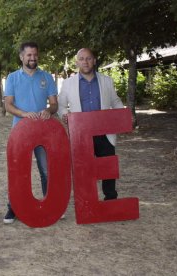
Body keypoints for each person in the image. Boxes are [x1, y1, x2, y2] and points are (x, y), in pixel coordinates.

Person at [58, 48, 124, 201]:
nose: (85, 62)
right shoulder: (68, 84)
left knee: (107, 167)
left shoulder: (107, 81)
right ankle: (86, 200)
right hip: (81, 135)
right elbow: (61, 106)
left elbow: (115, 101)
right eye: (81, 59)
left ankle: (110, 199)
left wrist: (124, 116)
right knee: (83, 169)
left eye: (88, 58)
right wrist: (64, 115)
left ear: (94, 60)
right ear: (77, 62)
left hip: (105, 133)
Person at [3, 41, 58, 224]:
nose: (32, 58)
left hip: (43, 132)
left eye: (35, 55)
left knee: (46, 170)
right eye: (29, 55)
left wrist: (48, 111)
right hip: (20, 132)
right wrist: (25, 114)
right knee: (17, 171)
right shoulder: (12, 78)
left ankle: (50, 205)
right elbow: (8, 105)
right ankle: (13, 208)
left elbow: (54, 104)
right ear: (21, 57)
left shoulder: (47, 77)